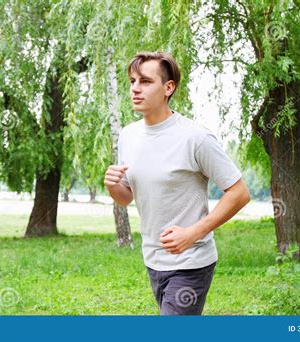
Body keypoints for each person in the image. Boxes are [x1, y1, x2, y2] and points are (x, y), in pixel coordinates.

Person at [104, 51, 250, 315]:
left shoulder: (195, 137)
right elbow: (126, 197)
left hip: (191, 262)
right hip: (153, 259)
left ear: (168, 87)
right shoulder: (129, 135)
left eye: (146, 82)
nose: (135, 89)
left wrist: (193, 233)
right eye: (132, 81)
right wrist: (113, 186)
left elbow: (239, 193)